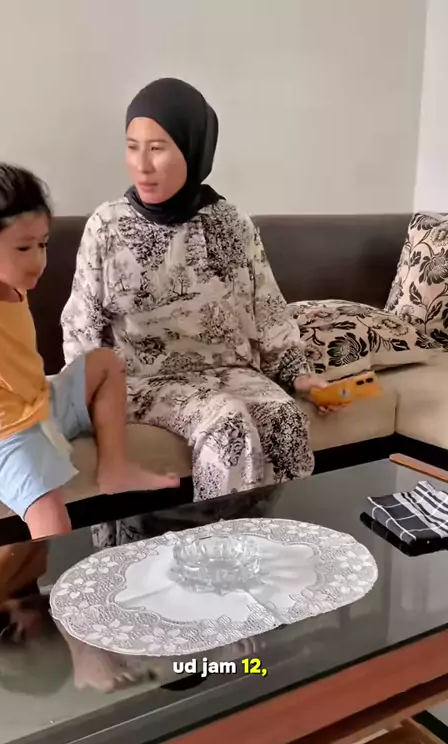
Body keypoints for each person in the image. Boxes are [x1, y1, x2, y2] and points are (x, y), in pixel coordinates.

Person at [61, 78, 329, 504]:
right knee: (228, 422)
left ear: (193, 149)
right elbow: (82, 328)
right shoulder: (107, 227)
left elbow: (268, 311)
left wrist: (299, 376)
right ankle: (216, 545)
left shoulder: (231, 223)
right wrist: (87, 401)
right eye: (132, 147)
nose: (142, 165)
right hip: (142, 381)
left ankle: (277, 541)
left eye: (157, 148)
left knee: (286, 418)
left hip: (230, 371)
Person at [0, 164, 178, 540]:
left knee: (105, 363)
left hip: (41, 400)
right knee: (51, 518)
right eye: (23, 247)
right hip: (1, 431)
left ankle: (114, 468)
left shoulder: (13, 280)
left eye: (42, 244)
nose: (38, 260)